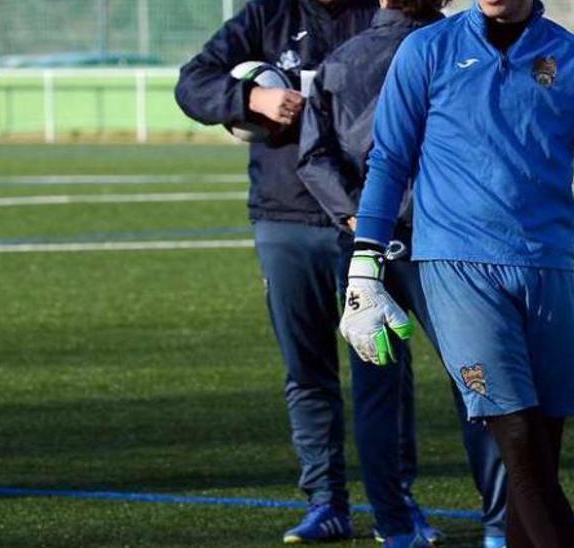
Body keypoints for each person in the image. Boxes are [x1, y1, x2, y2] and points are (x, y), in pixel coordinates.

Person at [337, 0, 574, 546]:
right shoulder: (426, 51)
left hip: (548, 270)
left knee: (541, 454)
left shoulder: (573, 58)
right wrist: (364, 270)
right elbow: (389, 162)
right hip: (458, 269)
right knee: (519, 442)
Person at [173, 0, 430, 543]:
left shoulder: (383, 16)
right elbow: (192, 83)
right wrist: (251, 97)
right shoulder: (268, 15)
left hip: (368, 220)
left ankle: (397, 504)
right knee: (307, 369)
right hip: (285, 217)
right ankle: (326, 502)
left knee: (382, 368)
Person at [296, 0, 508, 546]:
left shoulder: (342, 59)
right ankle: (500, 526)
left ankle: (394, 526)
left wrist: (356, 216)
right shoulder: (468, 51)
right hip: (448, 243)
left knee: (376, 389)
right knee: (478, 382)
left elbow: (313, 155)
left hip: (366, 245)